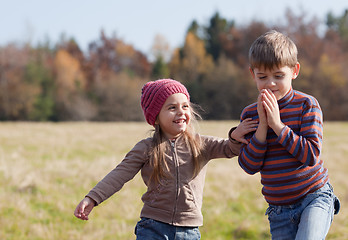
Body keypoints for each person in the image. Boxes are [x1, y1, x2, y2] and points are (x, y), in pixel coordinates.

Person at [74, 78, 257, 239]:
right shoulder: (146, 148)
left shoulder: (200, 144)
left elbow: (229, 148)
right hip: (153, 228)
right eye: (172, 108)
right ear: (155, 118)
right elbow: (119, 174)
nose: (180, 112)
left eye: (185, 106)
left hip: (189, 230)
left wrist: (235, 135)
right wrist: (92, 198)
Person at [237, 30, 340, 239]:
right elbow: (249, 166)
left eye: (278, 76)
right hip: (279, 210)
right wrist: (263, 127)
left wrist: (277, 125)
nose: (271, 83)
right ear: (252, 74)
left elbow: (311, 155)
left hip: (314, 197)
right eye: (262, 77)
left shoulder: (306, 105)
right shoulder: (250, 114)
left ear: (294, 71)